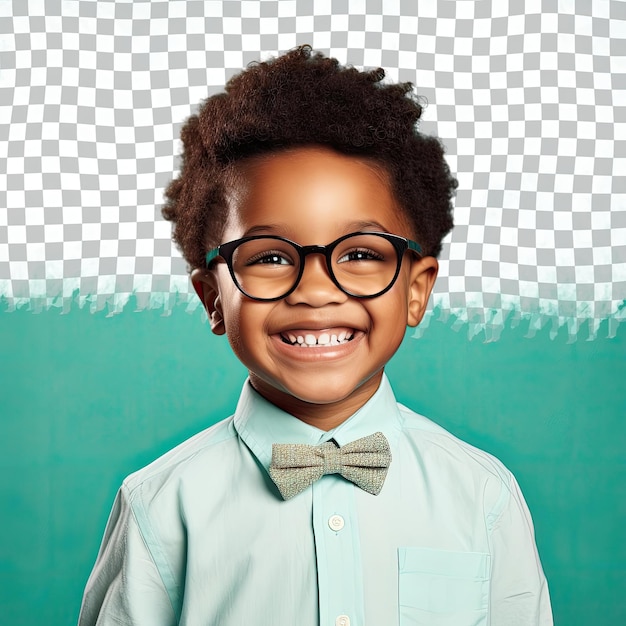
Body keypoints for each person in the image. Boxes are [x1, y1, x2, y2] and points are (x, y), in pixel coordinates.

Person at [78, 46, 552, 625]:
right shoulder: (160, 503)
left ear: (416, 290)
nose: (316, 290)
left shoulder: (483, 495)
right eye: (271, 257)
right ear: (213, 299)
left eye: (359, 253)